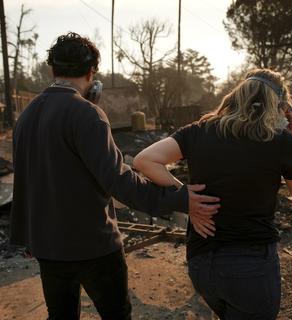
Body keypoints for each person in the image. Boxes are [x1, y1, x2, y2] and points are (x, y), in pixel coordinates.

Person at [10, 32, 220, 320]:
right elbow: (120, 182)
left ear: (52, 70)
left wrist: (26, 237)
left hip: (48, 247)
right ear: (91, 73)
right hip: (94, 247)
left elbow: (25, 182)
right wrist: (178, 198)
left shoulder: (26, 116)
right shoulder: (87, 114)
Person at [133, 68, 292, 320]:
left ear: (237, 96)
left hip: (201, 263)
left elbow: (145, 160)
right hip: (250, 268)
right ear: (279, 106)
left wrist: (184, 194)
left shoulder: (198, 130)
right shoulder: (279, 141)